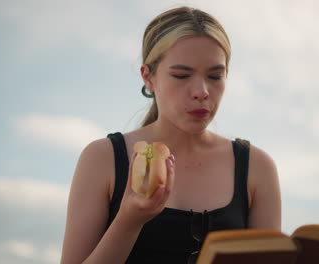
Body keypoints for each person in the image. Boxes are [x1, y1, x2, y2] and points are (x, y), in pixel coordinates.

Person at [60, 6, 281, 264]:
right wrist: (128, 221)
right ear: (148, 77)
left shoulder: (257, 167)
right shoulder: (102, 158)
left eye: (215, 76)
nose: (201, 91)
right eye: (181, 75)